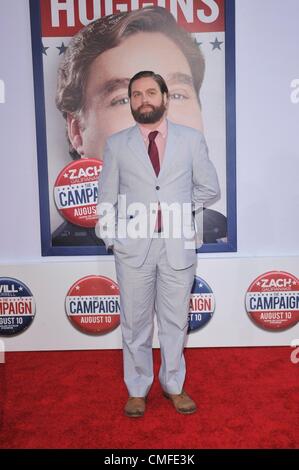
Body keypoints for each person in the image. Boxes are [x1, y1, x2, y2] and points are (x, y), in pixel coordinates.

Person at [96, 71, 220, 417]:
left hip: (177, 246)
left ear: (165, 98)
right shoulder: (117, 144)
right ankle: (137, 388)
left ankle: (174, 386)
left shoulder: (191, 140)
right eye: (136, 94)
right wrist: (113, 239)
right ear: (131, 101)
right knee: (135, 323)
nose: (143, 100)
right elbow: (106, 197)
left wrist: (180, 209)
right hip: (132, 249)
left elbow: (210, 188)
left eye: (151, 92)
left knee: (174, 322)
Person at [54, 6, 227, 246]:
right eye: (125, 98)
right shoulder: (66, 250)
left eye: (176, 95)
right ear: (77, 132)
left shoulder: (220, 233)